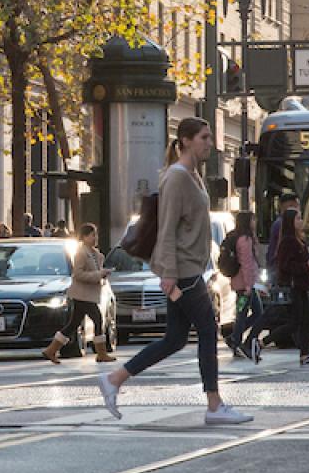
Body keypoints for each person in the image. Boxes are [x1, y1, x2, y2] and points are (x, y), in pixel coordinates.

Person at [97, 117, 252, 425]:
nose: (210, 143)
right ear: (186, 140)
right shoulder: (177, 176)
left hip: (188, 268)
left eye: (209, 138)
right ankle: (214, 405)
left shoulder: (193, 174)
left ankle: (114, 379)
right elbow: (167, 229)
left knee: (175, 339)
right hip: (183, 272)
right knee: (208, 331)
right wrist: (167, 274)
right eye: (204, 138)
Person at [246, 208, 309, 365]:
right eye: (298, 219)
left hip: (301, 284)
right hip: (293, 286)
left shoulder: (299, 239)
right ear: (290, 222)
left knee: (305, 320)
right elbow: (286, 265)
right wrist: (307, 266)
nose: (301, 222)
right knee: (294, 322)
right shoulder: (288, 241)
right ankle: (261, 343)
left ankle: (304, 354)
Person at [41, 223, 116, 363]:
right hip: (82, 294)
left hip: (88, 294)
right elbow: (78, 274)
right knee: (97, 319)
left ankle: (50, 350)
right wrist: (99, 274)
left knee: (73, 324)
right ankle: (101, 353)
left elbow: (94, 270)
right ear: (84, 237)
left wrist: (102, 272)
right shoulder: (81, 253)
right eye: (92, 235)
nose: (95, 238)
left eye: (96, 235)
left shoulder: (94, 254)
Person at [223, 211, 264, 358]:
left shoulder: (244, 238)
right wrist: (248, 286)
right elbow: (246, 264)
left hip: (245, 284)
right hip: (244, 285)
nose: (255, 222)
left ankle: (235, 338)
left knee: (257, 313)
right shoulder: (245, 240)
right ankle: (237, 341)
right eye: (253, 219)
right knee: (243, 313)